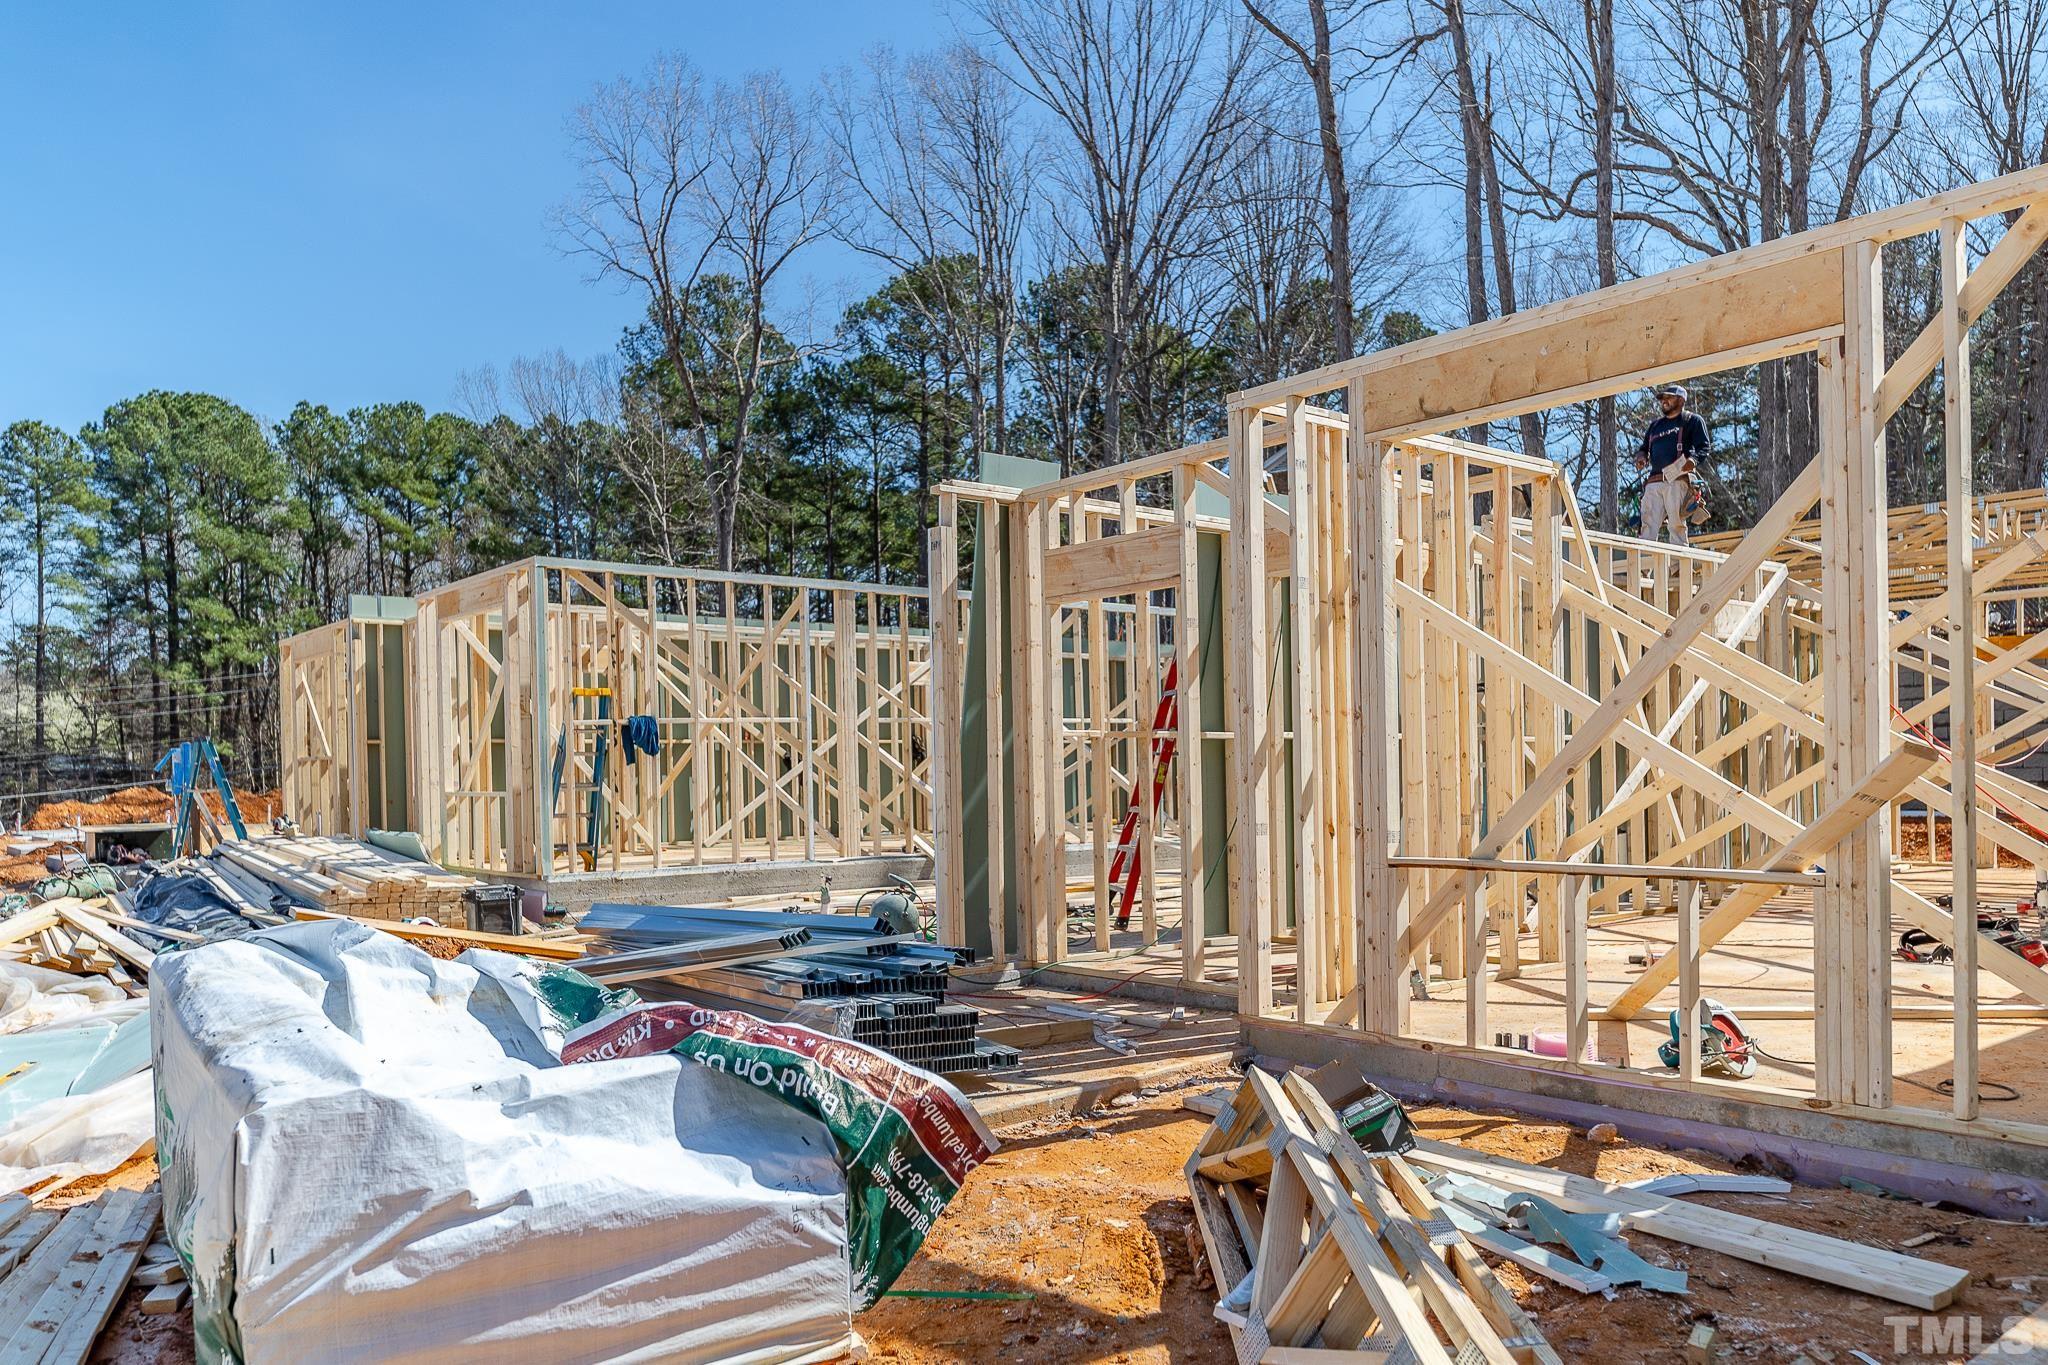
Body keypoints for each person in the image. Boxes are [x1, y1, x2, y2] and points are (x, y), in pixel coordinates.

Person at [1636, 384, 1710, 544]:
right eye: (1663, 398)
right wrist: (1641, 456)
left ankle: (1678, 567)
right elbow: (1644, 448)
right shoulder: (1655, 426)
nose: (1664, 401)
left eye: (1669, 397)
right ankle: (1643, 564)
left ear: (1681, 400)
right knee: (1647, 526)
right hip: (1654, 481)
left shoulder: (1691, 420)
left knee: (1676, 525)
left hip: (1677, 479)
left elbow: (1703, 447)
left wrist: (1693, 460)